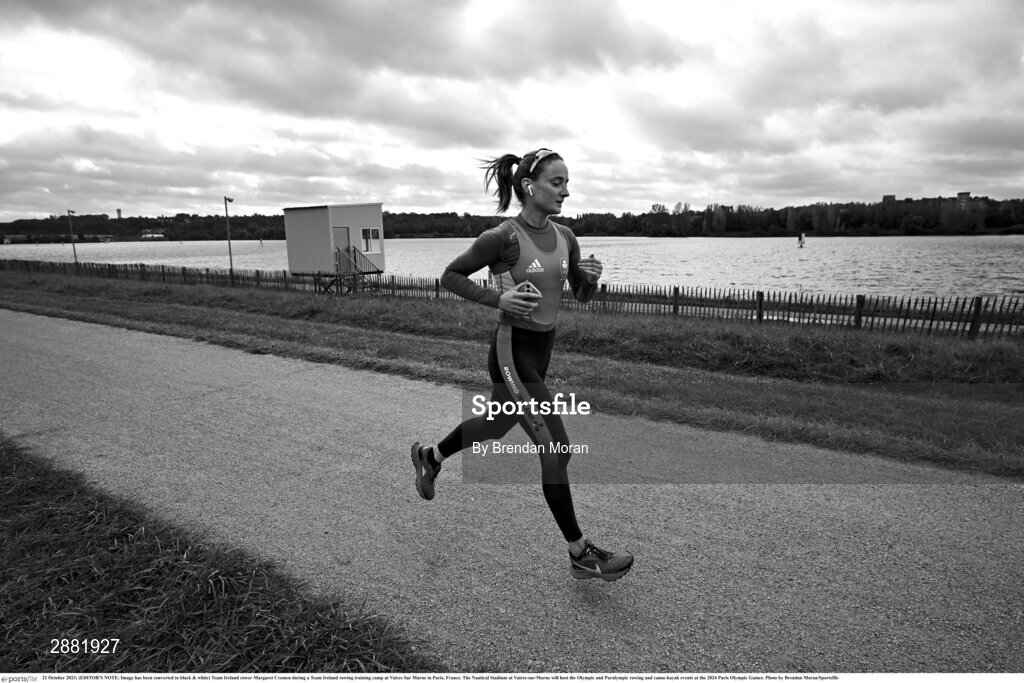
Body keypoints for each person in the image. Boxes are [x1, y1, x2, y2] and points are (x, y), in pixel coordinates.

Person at [410, 148, 633, 582]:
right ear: (530, 187)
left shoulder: (567, 236)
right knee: (556, 448)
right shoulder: (502, 237)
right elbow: (450, 276)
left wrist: (589, 280)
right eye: (557, 182)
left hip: (541, 351)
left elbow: (578, 296)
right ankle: (580, 553)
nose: (566, 191)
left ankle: (430, 455)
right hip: (511, 352)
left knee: (495, 426)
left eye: (567, 182)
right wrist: (498, 298)